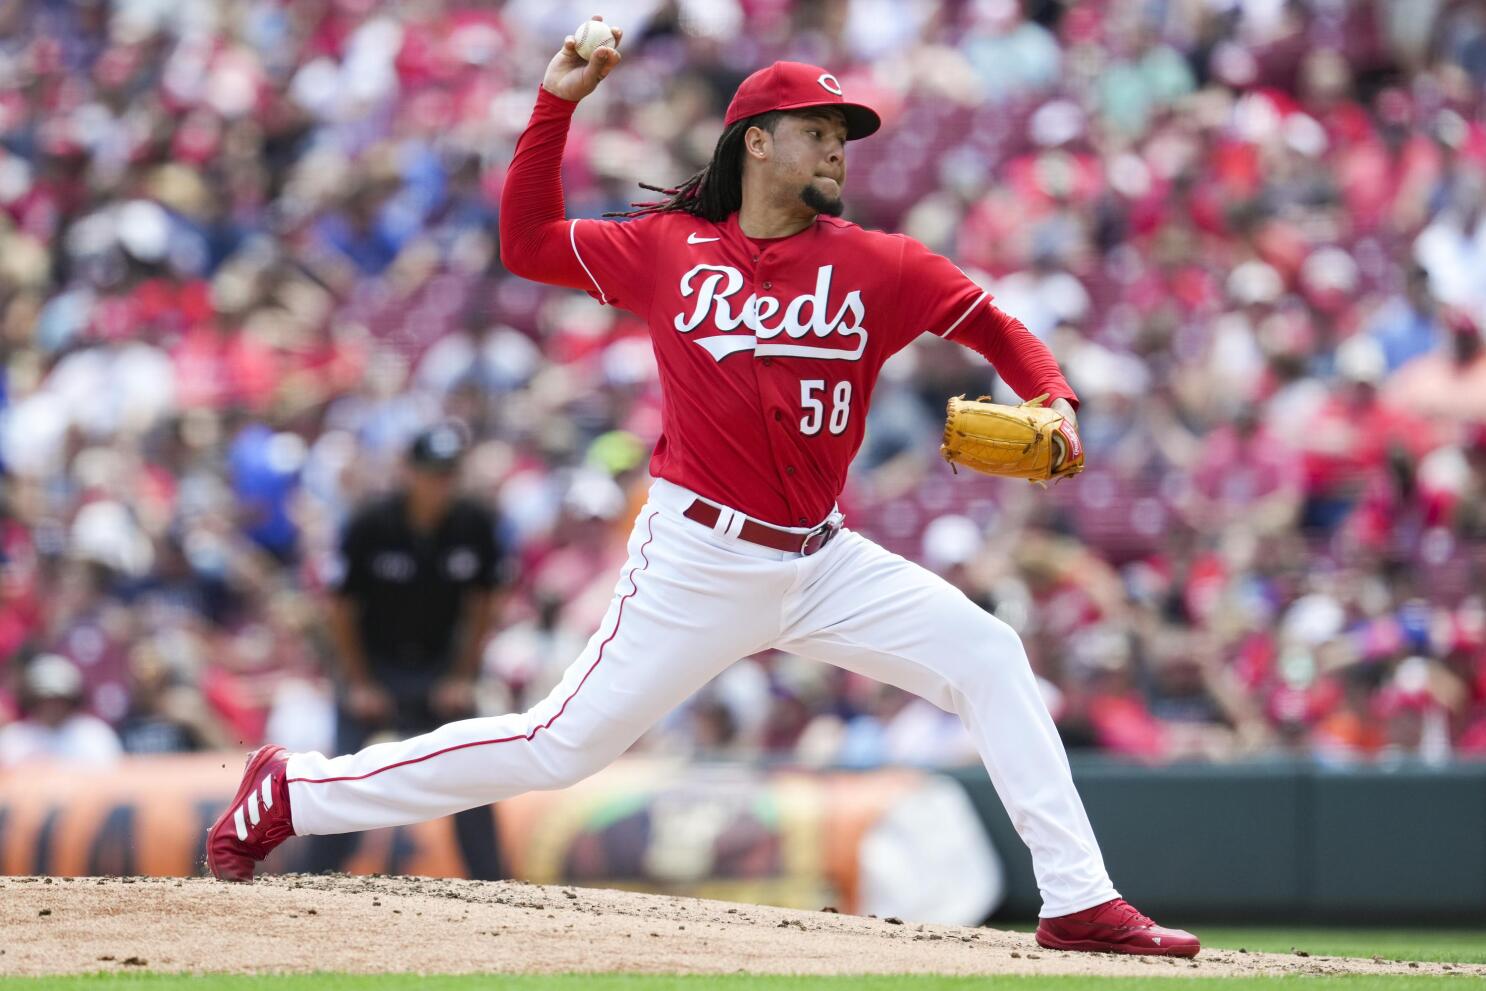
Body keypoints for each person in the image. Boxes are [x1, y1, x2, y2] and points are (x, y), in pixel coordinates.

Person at [207, 23, 1199, 957]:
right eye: (815, 132)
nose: (836, 151)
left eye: (842, 135)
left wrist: (1053, 396)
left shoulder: (877, 265)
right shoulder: (666, 249)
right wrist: (555, 103)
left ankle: (1075, 900)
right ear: (756, 143)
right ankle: (294, 791)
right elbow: (527, 242)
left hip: (822, 559)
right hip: (698, 555)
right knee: (557, 747)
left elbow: (987, 320)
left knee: (988, 654)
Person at [308, 422, 508, 879]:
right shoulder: (370, 524)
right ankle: (313, 882)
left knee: (474, 769)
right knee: (343, 773)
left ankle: (494, 887)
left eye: (448, 473)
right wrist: (359, 684)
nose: (440, 483)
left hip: (441, 670)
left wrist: (462, 676)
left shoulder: (474, 523)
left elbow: (485, 606)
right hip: (374, 668)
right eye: (431, 472)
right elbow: (339, 609)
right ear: (409, 473)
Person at [0, 654, 122, 767]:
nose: (52, 707)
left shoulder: (94, 736)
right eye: (45, 699)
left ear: (72, 700)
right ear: (32, 700)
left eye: (59, 700)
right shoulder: (13, 739)